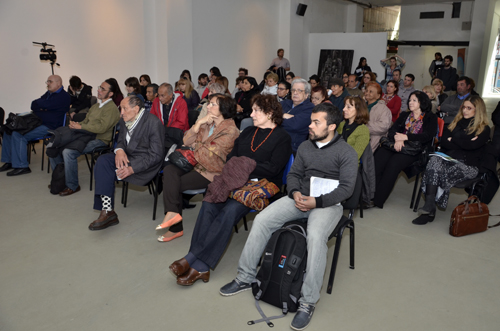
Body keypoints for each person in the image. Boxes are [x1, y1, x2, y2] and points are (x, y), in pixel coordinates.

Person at [219, 103, 358, 331]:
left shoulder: (346, 152)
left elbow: (347, 189)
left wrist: (318, 202)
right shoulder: (305, 146)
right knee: (263, 220)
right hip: (300, 197)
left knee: (315, 236)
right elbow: (293, 174)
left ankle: (307, 302)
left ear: (332, 126)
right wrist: (294, 193)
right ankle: (245, 277)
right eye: (310, 121)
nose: (309, 126)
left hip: (328, 203)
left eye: (316, 122)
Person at [168, 94, 292, 286]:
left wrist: (243, 165)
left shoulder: (282, 137)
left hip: (259, 186)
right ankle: (197, 262)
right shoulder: (249, 131)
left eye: (257, 110)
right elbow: (231, 158)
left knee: (229, 210)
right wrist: (241, 165)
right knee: (209, 203)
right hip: (234, 179)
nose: (252, 114)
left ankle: (196, 262)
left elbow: (274, 168)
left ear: (269, 113)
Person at [156, 94, 240, 242]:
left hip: (212, 171)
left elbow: (211, 155)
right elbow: (185, 140)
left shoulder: (231, 130)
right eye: (209, 103)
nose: (208, 106)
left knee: (174, 184)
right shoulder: (206, 123)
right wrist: (197, 124)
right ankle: (173, 214)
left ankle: (175, 226)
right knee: (169, 170)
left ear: (223, 109)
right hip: (194, 163)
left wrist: (196, 146)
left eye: (213, 104)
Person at [88, 96, 165, 230]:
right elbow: (121, 140)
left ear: (136, 109)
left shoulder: (153, 122)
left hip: (144, 163)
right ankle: (107, 210)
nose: (121, 112)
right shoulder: (125, 120)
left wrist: (132, 168)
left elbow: (156, 155)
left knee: (106, 173)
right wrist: (119, 150)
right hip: (127, 156)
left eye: (124, 108)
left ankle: (108, 213)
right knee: (102, 161)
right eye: (120, 108)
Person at [412, 95, 490, 225]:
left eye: (469, 108)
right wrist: (464, 142)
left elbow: (472, 146)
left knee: (434, 171)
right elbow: (444, 142)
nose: (465, 110)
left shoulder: (483, 129)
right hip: (449, 160)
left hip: (469, 166)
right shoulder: (455, 123)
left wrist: (453, 140)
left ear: (478, 110)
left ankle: (429, 210)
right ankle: (430, 206)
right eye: (463, 107)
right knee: (434, 161)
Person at [49, 79, 120, 196]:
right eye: (100, 87)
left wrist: (81, 126)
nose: (99, 90)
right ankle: (59, 180)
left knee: (69, 152)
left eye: (103, 89)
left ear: (111, 93)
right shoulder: (96, 106)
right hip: (86, 134)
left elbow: (101, 128)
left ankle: (72, 185)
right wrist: (76, 125)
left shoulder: (111, 109)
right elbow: (86, 121)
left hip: (100, 139)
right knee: (55, 145)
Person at [372, 91, 437, 209]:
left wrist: (406, 137)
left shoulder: (430, 118)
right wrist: (398, 139)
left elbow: (427, 136)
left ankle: (378, 200)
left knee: (394, 163)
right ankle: (369, 194)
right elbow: (392, 131)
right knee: (379, 157)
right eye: (409, 100)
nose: (410, 102)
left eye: (414, 100)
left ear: (422, 102)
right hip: (397, 144)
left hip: (414, 150)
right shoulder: (404, 115)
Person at [0, 75, 70, 176]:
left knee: (19, 135)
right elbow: (34, 104)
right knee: (9, 130)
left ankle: (22, 166)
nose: (47, 84)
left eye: (50, 82)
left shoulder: (64, 96)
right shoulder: (49, 93)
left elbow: (46, 105)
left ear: (58, 83)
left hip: (51, 126)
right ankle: (9, 161)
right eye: (47, 82)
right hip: (38, 123)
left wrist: (43, 107)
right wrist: (44, 107)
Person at [281, 78, 315, 153]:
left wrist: (278, 118)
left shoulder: (310, 108)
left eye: (299, 90)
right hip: (277, 141)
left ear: (306, 94)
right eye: (293, 90)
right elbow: (269, 115)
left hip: (292, 147)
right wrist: (286, 116)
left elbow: (295, 125)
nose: (295, 93)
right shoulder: (284, 103)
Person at [337, 95, 370, 162]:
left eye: (348, 107)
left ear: (358, 110)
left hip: (349, 166)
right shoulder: (342, 124)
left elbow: (355, 156)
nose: (344, 109)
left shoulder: (363, 130)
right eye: (345, 106)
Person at [365, 82, 392, 152]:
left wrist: (364, 126)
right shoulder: (361, 106)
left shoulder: (384, 109)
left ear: (378, 96)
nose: (367, 93)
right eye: (366, 91)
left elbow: (383, 126)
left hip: (374, 141)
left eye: (371, 92)